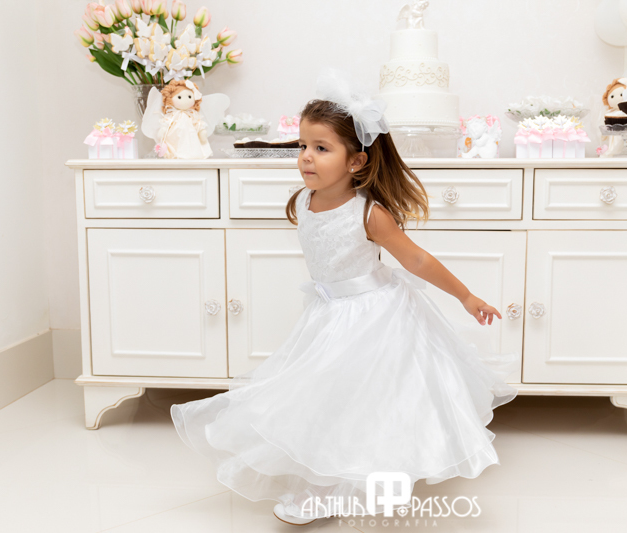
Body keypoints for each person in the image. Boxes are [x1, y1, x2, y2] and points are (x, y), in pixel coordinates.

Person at [170, 67, 518, 526]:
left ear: (356, 161)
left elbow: (416, 260)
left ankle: (335, 487)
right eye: (302, 146)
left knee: (359, 400)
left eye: (321, 148)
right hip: (328, 312)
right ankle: (332, 478)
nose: (306, 157)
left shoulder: (370, 214)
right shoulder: (304, 200)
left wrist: (466, 296)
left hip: (374, 316)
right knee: (324, 396)